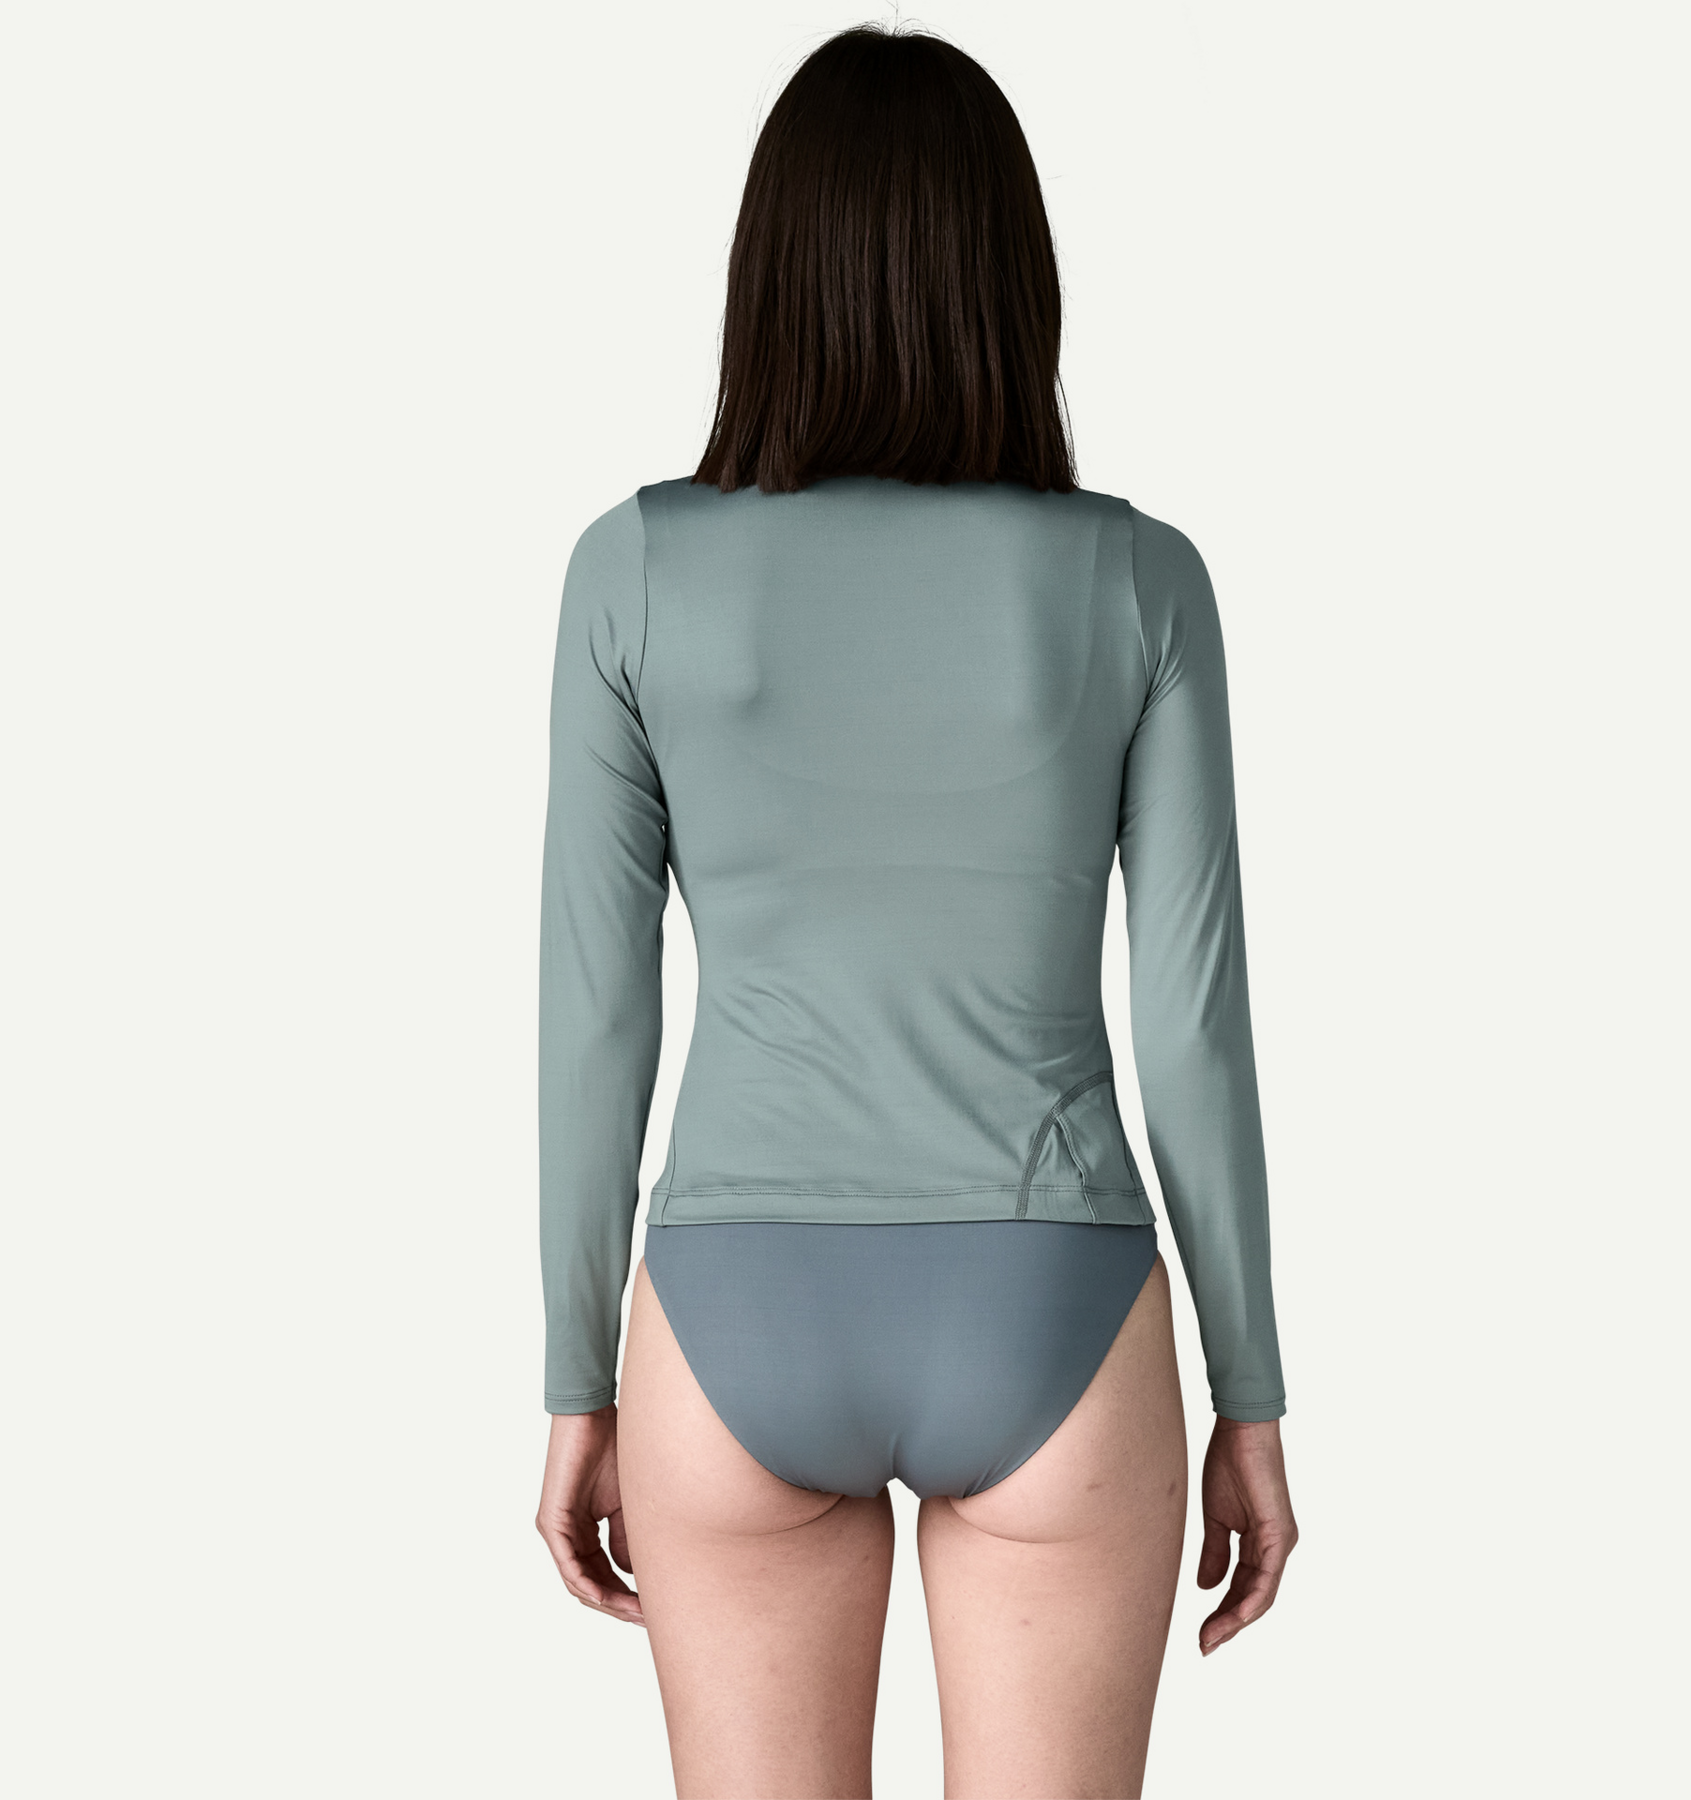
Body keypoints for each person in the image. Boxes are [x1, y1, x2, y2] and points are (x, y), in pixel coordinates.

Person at [533, 23, 1297, 1798]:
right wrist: (1250, 1395)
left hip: (731, 1311)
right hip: (1054, 1299)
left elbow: (595, 1014)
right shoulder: (1139, 580)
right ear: (1010, 282)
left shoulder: (632, 570)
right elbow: (1192, 1022)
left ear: (767, 277)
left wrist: (578, 1384)